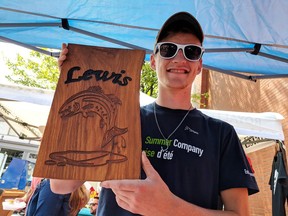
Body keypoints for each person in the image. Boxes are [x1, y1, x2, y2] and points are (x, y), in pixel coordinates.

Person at [51, 11, 259, 215]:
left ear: (199, 66)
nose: (179, 58)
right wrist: (71, 88)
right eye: (168, 49)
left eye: (191, 51)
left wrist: (170, 209)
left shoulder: (222, 134)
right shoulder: (123, 119)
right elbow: (60, 184)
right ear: (152, 61)